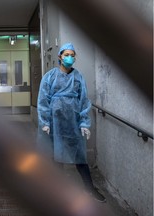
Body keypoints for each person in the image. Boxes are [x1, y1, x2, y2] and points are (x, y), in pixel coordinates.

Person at [37, 42, 106, 202]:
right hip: (55, 123)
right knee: (56, 157)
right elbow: (42, 100)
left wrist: (84, 124)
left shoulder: (78, 77)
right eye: (66, 55)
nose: (69, 58)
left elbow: (83, 101)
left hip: (73, 123)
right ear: (59, 57)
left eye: (72, 55)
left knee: (80, 157)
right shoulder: (50, 76)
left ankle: (89, 189)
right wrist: (45, 122)